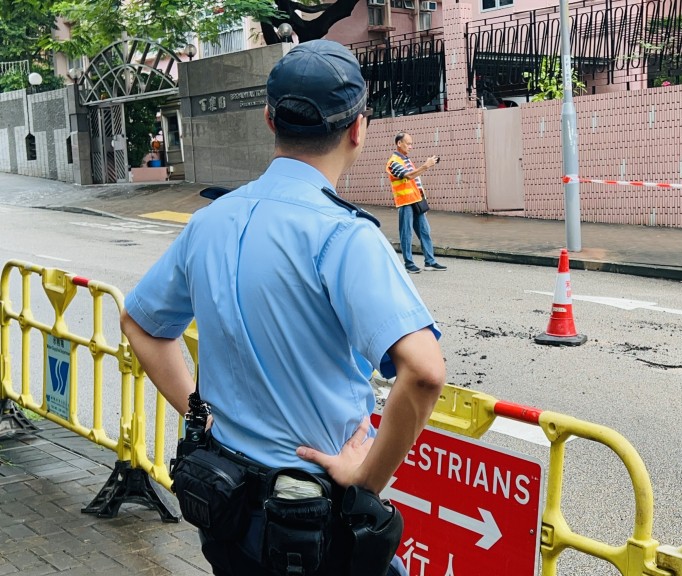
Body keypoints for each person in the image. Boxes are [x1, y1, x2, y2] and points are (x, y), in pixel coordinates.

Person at [119, 39, 445, 576]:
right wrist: (365, 480)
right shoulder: (343, 235)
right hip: (309, 525)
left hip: (221, 504)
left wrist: (199, 415)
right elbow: (425, 371)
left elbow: (141, 323)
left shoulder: (210, 222)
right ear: (358, 129)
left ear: (270, 119)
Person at [387, 132, 446, 274]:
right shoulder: (393, 162)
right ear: (399, 143)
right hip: (405, 202)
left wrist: (423, 200)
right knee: (406, 233)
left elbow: (415, 181)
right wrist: (426, 166)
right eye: (408, 143)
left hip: (417, 200)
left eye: (411, 143)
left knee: (425, 231)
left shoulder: (406, 160)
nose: (410, 146)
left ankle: (430, 262)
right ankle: (408, 264)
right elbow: (409, 176)